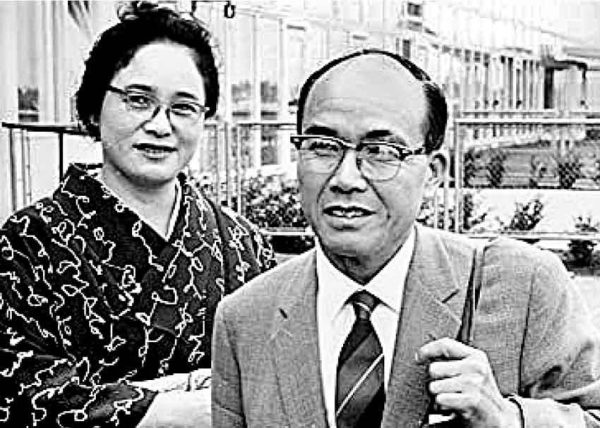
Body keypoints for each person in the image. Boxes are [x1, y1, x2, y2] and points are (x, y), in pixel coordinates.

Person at [212, 49, 600, 427]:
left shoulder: (523, 287)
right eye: (323, 147)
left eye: (381, 151)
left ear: (433, 173)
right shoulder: (245, 320)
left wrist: (507, 419)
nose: (346, 178)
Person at [0, 3, 275, 427]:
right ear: (94, 107)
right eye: (138, 100)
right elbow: (18, 389)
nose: (160, 125)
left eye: (183, 107)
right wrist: (174, 409)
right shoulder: (28, 241)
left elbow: (274, 375)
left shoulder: (244, 243)